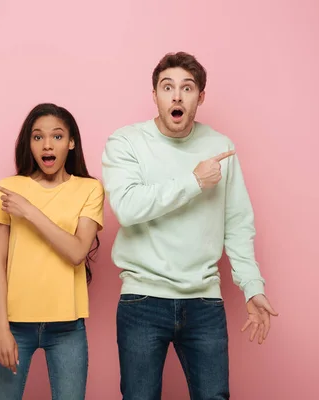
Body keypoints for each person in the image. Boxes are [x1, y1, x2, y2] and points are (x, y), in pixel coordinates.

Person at [101, 51, 279, 400]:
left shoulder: (220, 148)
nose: (177, 96)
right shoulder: (126, 142)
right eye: (168, 88)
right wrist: (193, 181)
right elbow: (127, 207)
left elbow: (237, 224)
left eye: (187, 88)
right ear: (155, 96)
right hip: (142, 299)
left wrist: (252, 286)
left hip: (204, 302)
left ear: (201, 96)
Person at [0, 103, 104, 400]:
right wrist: (1, 329)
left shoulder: (90, 189)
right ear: (29, 143)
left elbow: (77, 251)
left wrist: (29, 210)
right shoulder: (8, 188)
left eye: (57, 136)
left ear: (72, 142)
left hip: (68, 328)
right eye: (37, 137)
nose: (47, 144)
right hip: (14, 326)